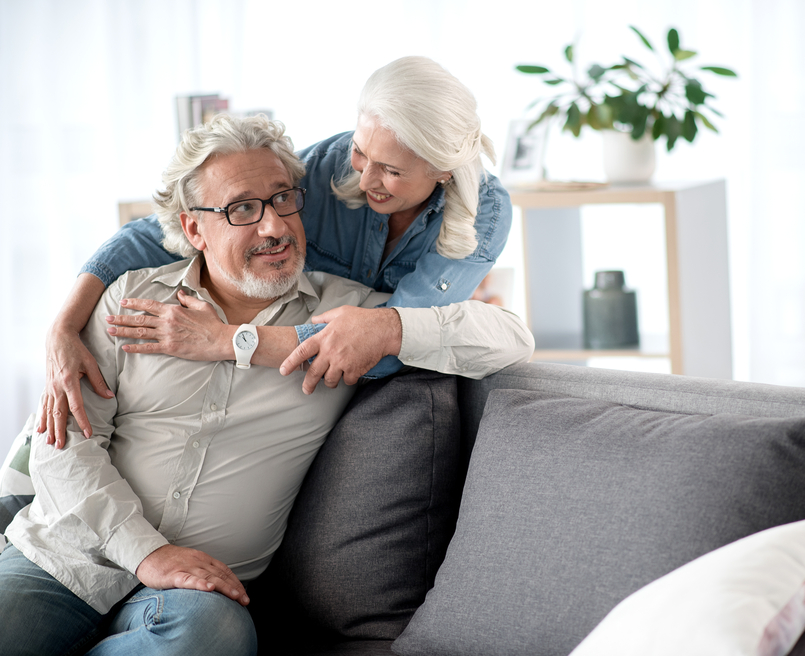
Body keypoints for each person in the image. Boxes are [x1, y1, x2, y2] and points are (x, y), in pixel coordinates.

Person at [0, 114, 533, 656]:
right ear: (194, 229)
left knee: (212, 642)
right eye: (242, 209)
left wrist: (388, 328)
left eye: (283, 200)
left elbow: (510, 339)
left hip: (195, 599)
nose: (274, 227)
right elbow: (64, 449)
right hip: (62, 560)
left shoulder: (342, 319)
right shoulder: (130, 300)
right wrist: (149, 554)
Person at [41, 55, 512, 448]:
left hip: (304, 384)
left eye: (389, 170)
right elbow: (162, 230)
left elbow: (391, 340)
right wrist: (62, 327)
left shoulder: (483, 216)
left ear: (443, 169)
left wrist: (227, 341)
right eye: (361, 152)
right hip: (274, 351)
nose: (364, 179)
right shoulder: (328, 165)